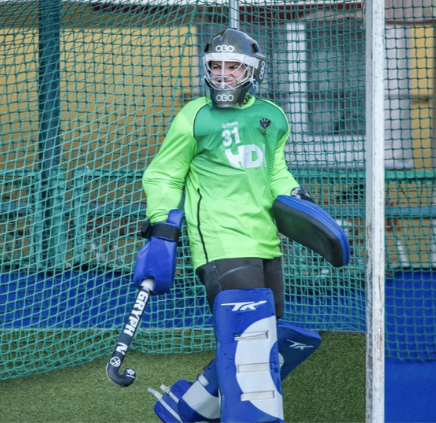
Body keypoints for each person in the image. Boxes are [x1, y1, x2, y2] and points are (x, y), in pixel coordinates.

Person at [133, 28, 346, 423]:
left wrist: (295, 194)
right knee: (247, 333)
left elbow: (275, 171)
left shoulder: (273, 116)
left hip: (264, 239)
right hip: (219, 239)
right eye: (216, 66)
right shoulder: (194, 116)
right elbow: (163, 175)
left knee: (261, 331)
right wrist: (162, 225)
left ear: (253, 70)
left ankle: (190, 408)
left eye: (233, 66)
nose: (223, 74)